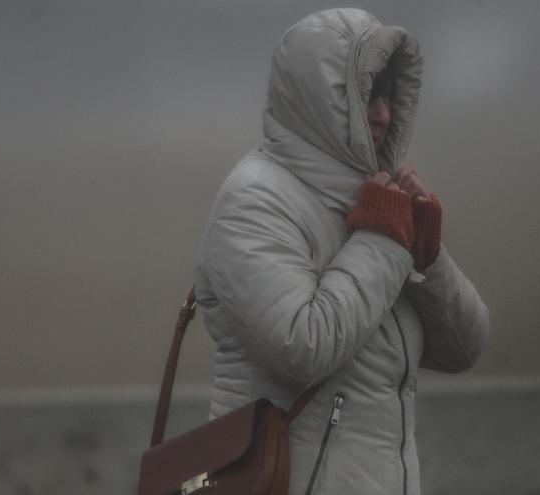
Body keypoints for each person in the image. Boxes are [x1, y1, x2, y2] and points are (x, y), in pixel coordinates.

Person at [193, 8, 489, 495]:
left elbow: (465, 347)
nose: (382, 114)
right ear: (320, 100)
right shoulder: (254, 201)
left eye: (389, 95)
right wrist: (384, 241)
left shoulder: (372, 200)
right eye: (365, 94)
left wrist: (428, 258)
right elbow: (303, 346)